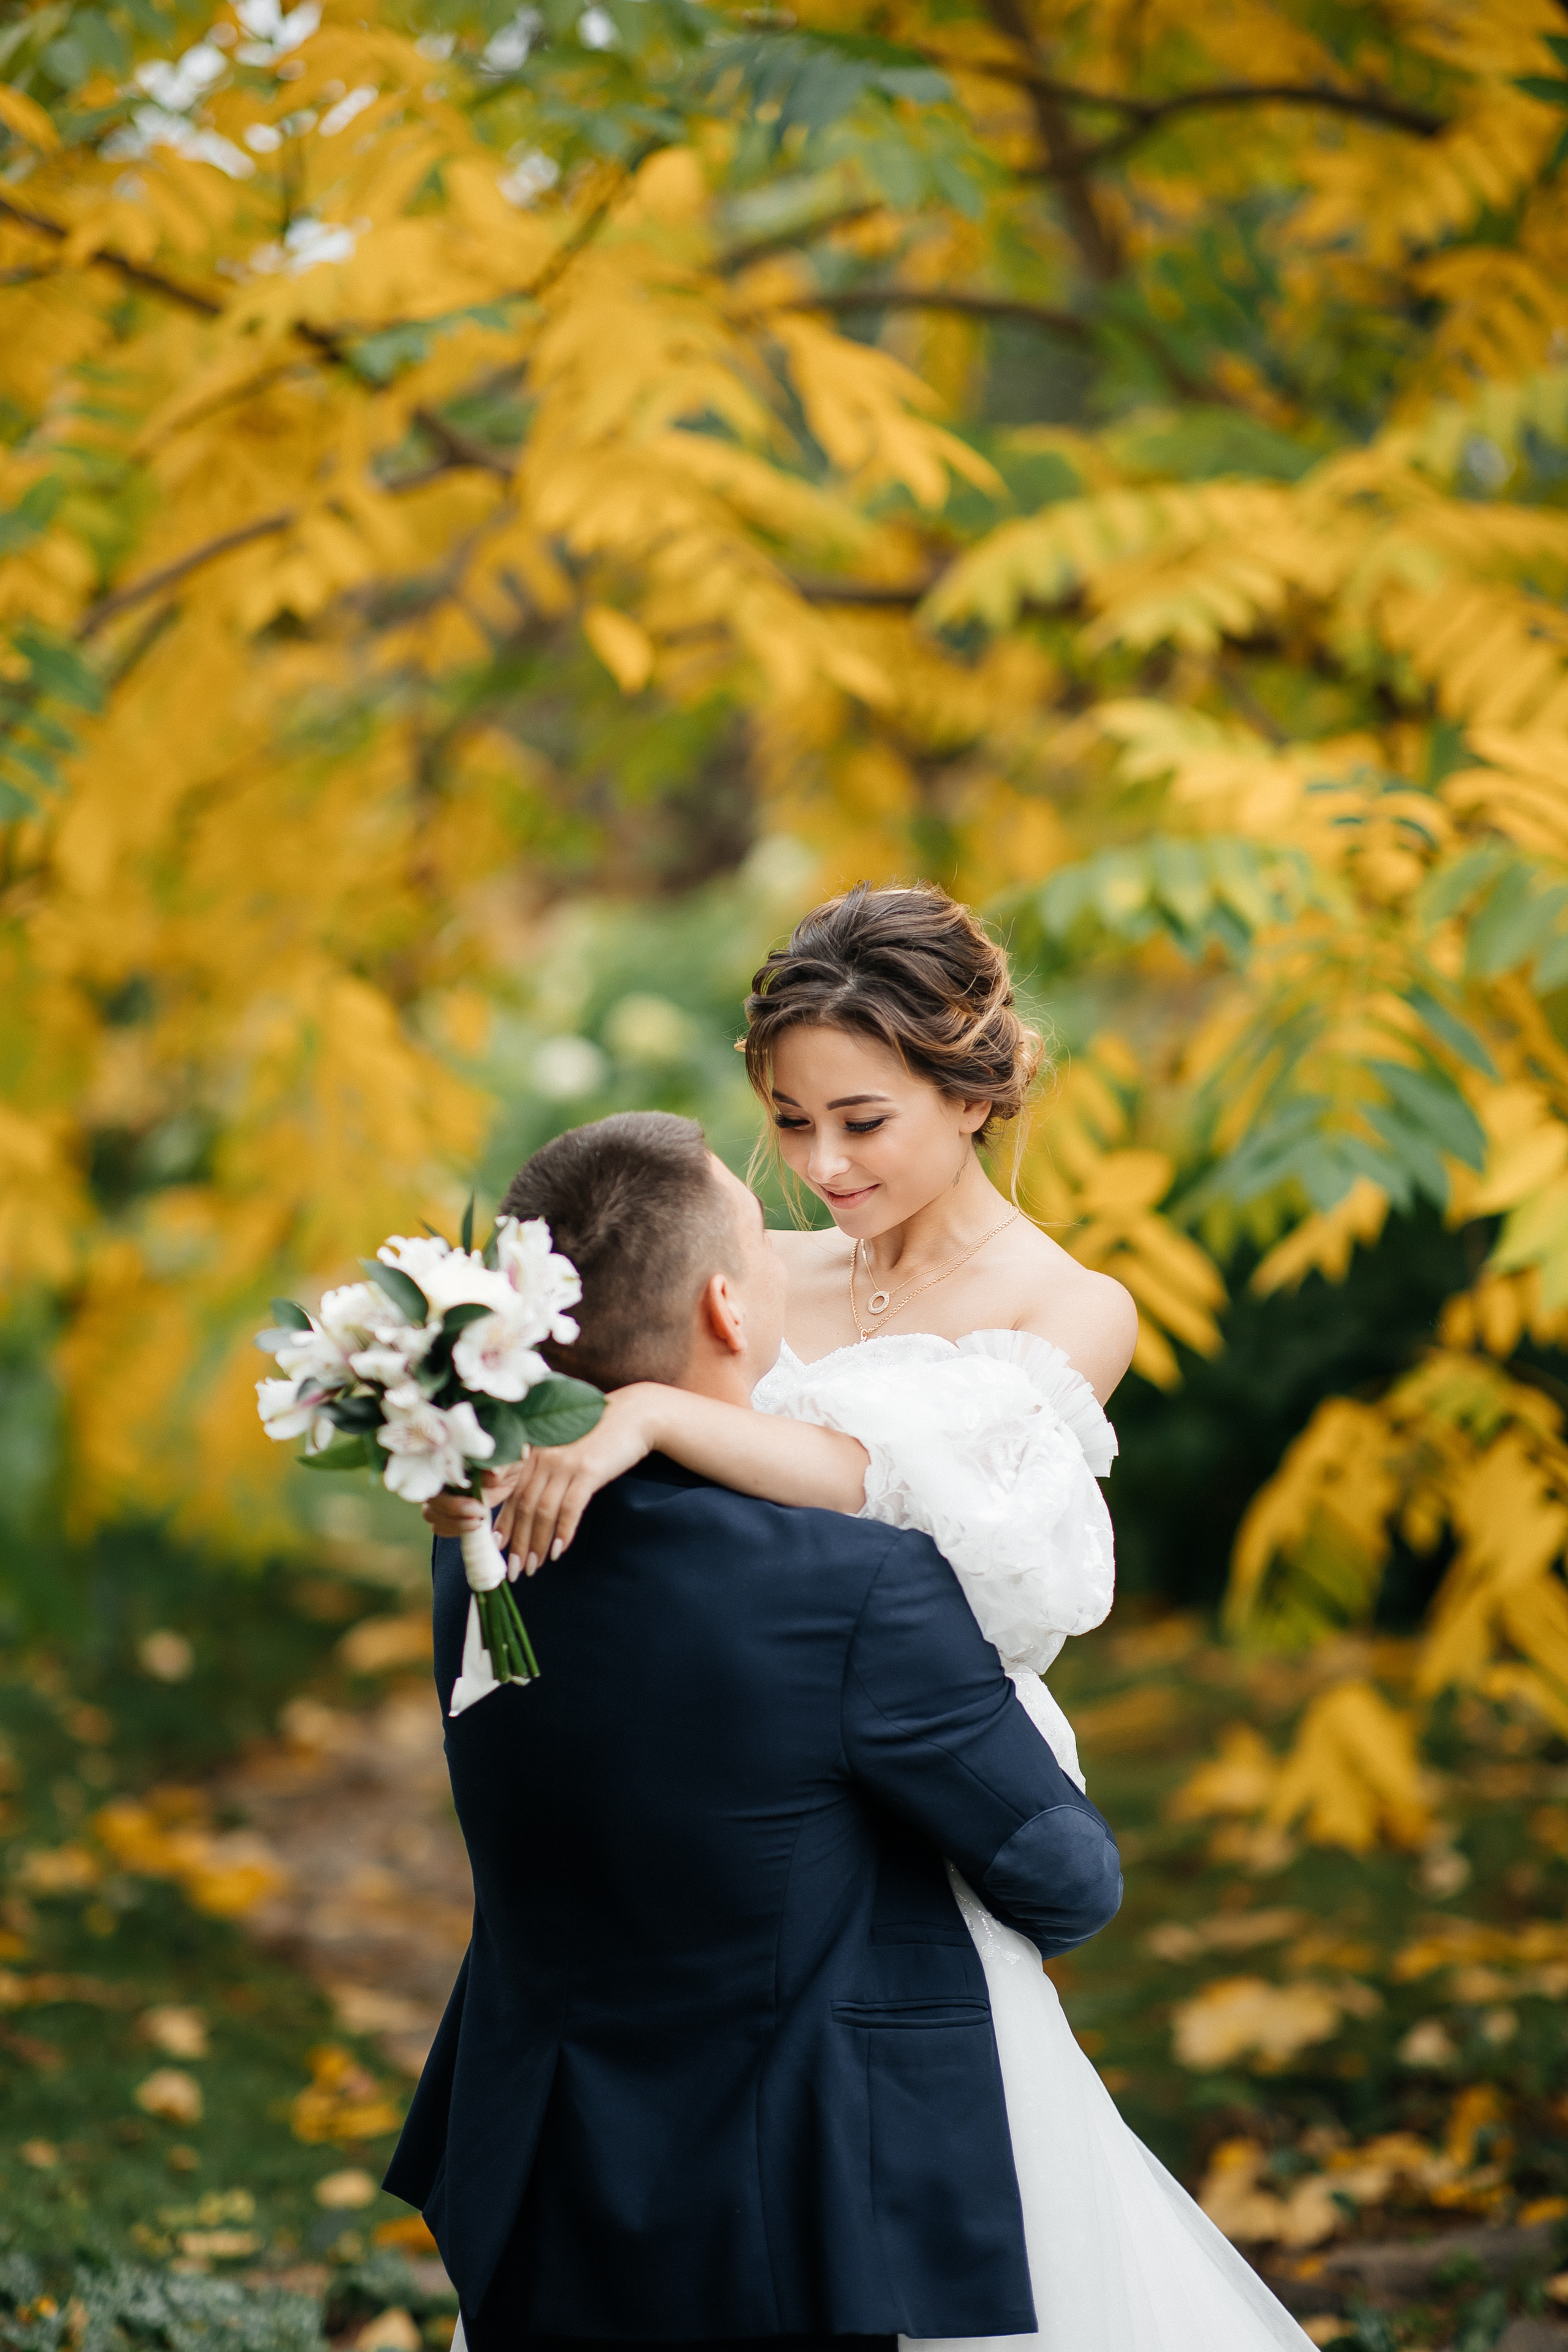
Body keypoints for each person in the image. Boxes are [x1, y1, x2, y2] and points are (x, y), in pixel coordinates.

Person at [429, 883, 1316, 2352]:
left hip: (921, 1800)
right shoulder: (758, 1269)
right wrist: (471, 1461)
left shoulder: (1068, 1306)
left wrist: (652, 1411)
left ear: (970, 1090)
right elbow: (578, 1424)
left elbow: (890, 1484)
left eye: (861, 1119)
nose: (819, 1166)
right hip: (697, 1809)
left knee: (925, 2216)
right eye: (786, 1122)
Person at [388, 1107, 1125, 2352]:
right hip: (789, 2198)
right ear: (730, 1310)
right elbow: (1064, 1880)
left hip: (544, 2169)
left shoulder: (481, 1547)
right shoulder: (860, 1582)